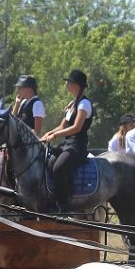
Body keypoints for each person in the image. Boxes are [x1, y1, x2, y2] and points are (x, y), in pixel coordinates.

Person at [41, 69, 93, 211]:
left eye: (69, 82)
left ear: (77, 85)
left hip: (78, 146)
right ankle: (53, 197)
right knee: (49, 160)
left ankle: (64, 203)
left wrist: (55, 136)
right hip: (67, 144)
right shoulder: (72, 104)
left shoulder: (84, 105)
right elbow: (62, 126)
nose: (67, 85)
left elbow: (76, 128)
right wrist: (48, 133)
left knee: (58, 168)